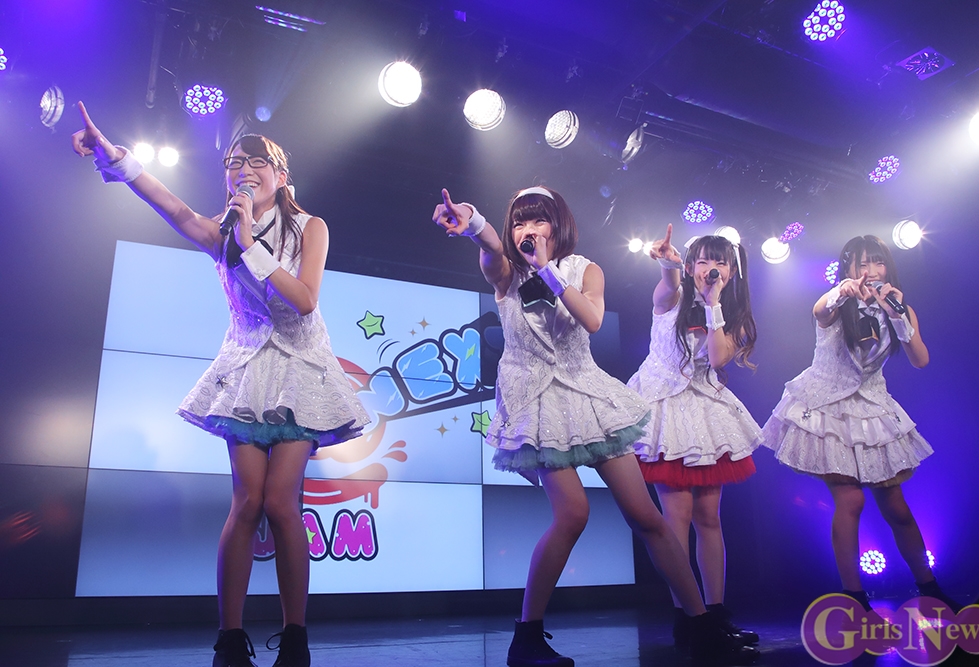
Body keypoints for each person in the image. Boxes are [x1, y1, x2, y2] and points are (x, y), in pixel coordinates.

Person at [72, 102, 370, 667]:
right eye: (234, 163)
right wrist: (115, 158)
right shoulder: (221, 231)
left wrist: (251, 242)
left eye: (256, 162)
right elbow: (171, 205)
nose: (243, 170)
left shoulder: (310, 228)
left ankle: (296, 637)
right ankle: (229, 639)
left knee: (281, 501)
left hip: (301, 369)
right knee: (247, 500)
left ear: (281, 176)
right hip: (247, 369)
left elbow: (305, 300)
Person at [432, 187, 757, 667]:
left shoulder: (585, 270)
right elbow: (491, 250)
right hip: (537, 402)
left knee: (647, 517)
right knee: (573, 514)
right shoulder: (506, 272)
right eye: (520, 222)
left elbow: (592, 320)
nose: (528, 230)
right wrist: (474, 223)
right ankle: (527, 637)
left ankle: (701, 624)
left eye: (538, 221)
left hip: (588, 396)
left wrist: (548, 269)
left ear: (558, 225)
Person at [758, 235, 955, 611]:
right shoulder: (835, 303)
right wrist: (840, 292)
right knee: (850, 501)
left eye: (877, 263)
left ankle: (930, 589)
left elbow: (920, 359)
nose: (871, 271)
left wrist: (897, 314)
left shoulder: (899, 308)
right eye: (862, 264)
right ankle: (854, 599)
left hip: (873, 410)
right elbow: (820, 310)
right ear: (848, 268)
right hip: (829, 409)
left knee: (897, 507)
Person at [627, 226, 761, 647]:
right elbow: (667, 284)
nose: (710, 268)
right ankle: (687, 613)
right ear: (690, 266)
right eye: (702, 261)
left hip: (704, 411)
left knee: (709, 518)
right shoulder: (672, 297)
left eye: (720, 262)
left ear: (732, 271)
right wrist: (668, 264)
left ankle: (715, 612)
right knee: (676, 518)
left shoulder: (731, 316)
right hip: (665, 409)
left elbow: (718, 358)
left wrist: (713, 304)